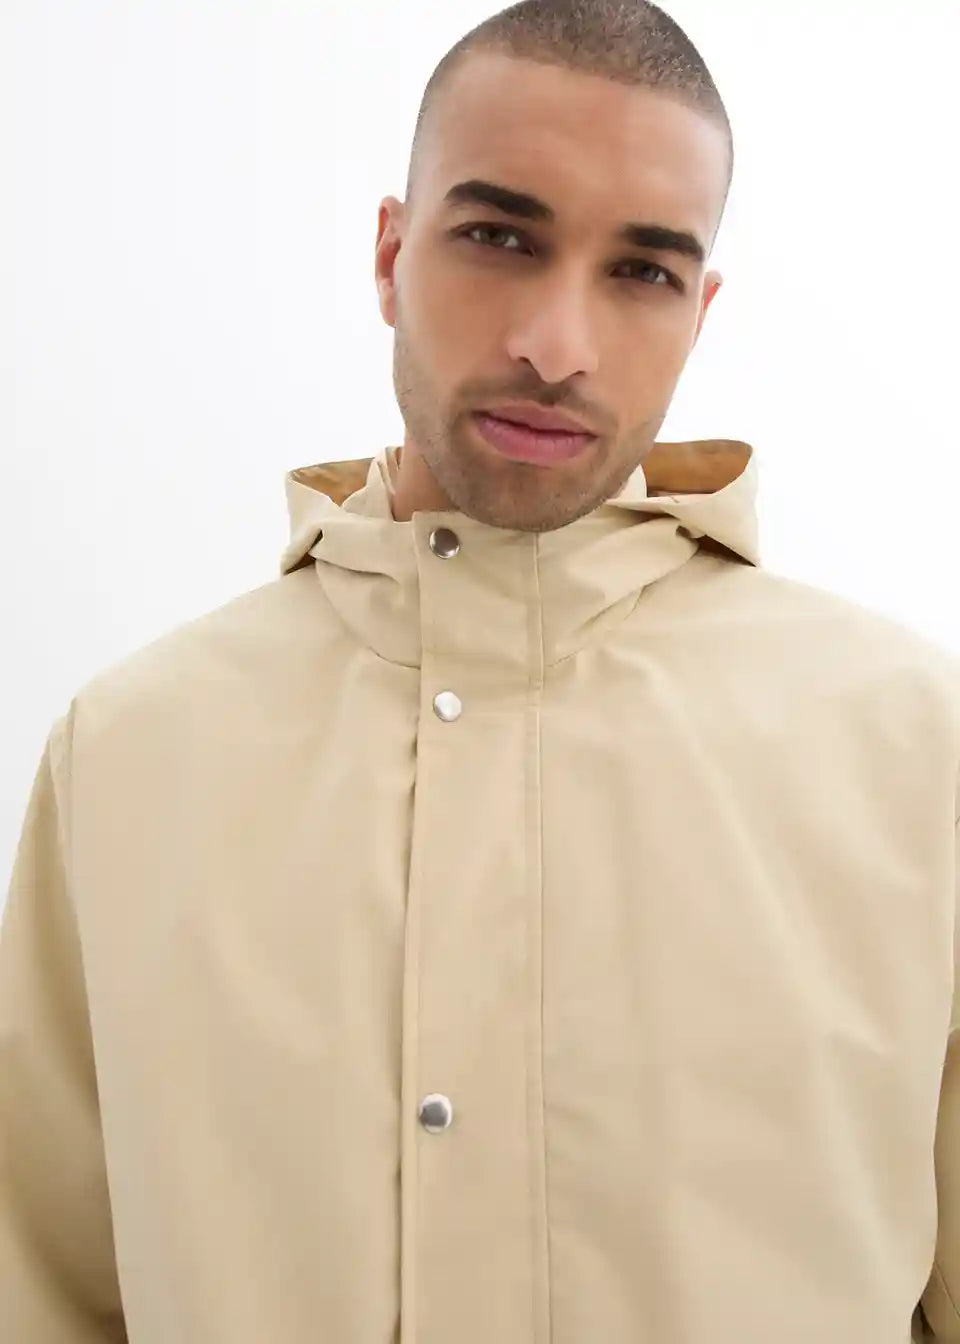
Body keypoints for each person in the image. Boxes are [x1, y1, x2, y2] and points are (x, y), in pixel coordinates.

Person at [2, 0, 958, 1339]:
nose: (558, 345)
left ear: (701, 311)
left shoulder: (915, 752)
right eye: (502, 237)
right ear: (390, 256)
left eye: (643, 271)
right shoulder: (129, 757)